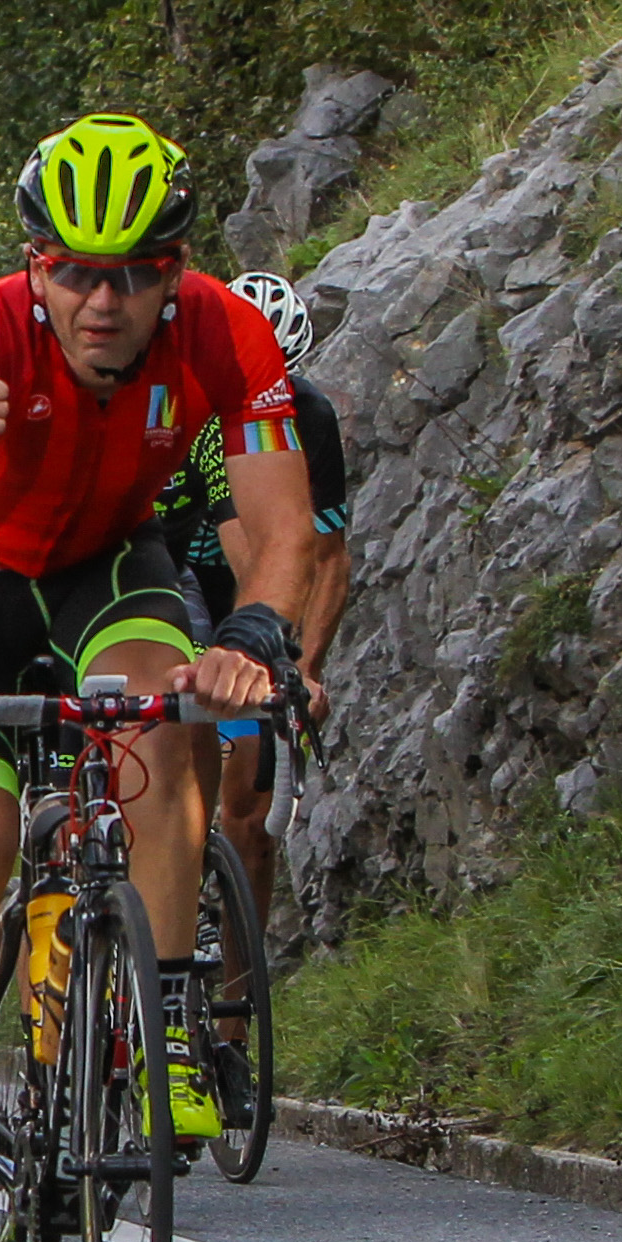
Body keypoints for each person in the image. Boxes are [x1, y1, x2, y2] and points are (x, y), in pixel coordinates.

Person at [0, 113, 313, 1242]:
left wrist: (256, 636)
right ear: (36, 267)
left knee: (164, 722)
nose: (100, 300)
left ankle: (166, 1018)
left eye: (132, 274)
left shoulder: (226, 331)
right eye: (72, 271)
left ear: (173, 271)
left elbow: (282, 530)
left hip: (108, 570)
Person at [165, 272, 352, 927]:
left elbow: (326, 558)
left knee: (250, 824)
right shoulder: (188, 412)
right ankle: (164, 922)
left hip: (254, 590)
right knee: (177, 753)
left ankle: (235, 1015)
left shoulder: (309, 416)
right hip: (178, 572)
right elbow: (241, 539)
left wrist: (305, 666)